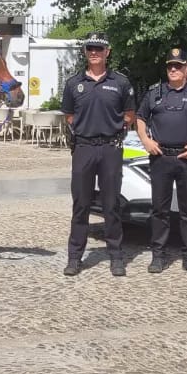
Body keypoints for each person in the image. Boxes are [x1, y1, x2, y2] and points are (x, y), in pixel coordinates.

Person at [61, 33, 136, 277]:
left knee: (111, 204)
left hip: (110, 149)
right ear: (85, 52)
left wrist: (116, 132)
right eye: (90, 48)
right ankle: (75, 257)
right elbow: (69, 116)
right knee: (80, 205)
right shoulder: (74, 83)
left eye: (99, 48)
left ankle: (116, 256)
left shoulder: (121, 82)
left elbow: (129, 114)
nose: (95, 52)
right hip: (83, 148)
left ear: (108, 51)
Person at [136, 48, 187, 274]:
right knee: (159, 209)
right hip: (161, 157)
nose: (173, 69)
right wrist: (145, 140)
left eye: (178, 65)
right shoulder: (155, 93)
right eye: (170, 65)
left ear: (185, 66)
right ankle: (158, 255)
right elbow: (141, 118)